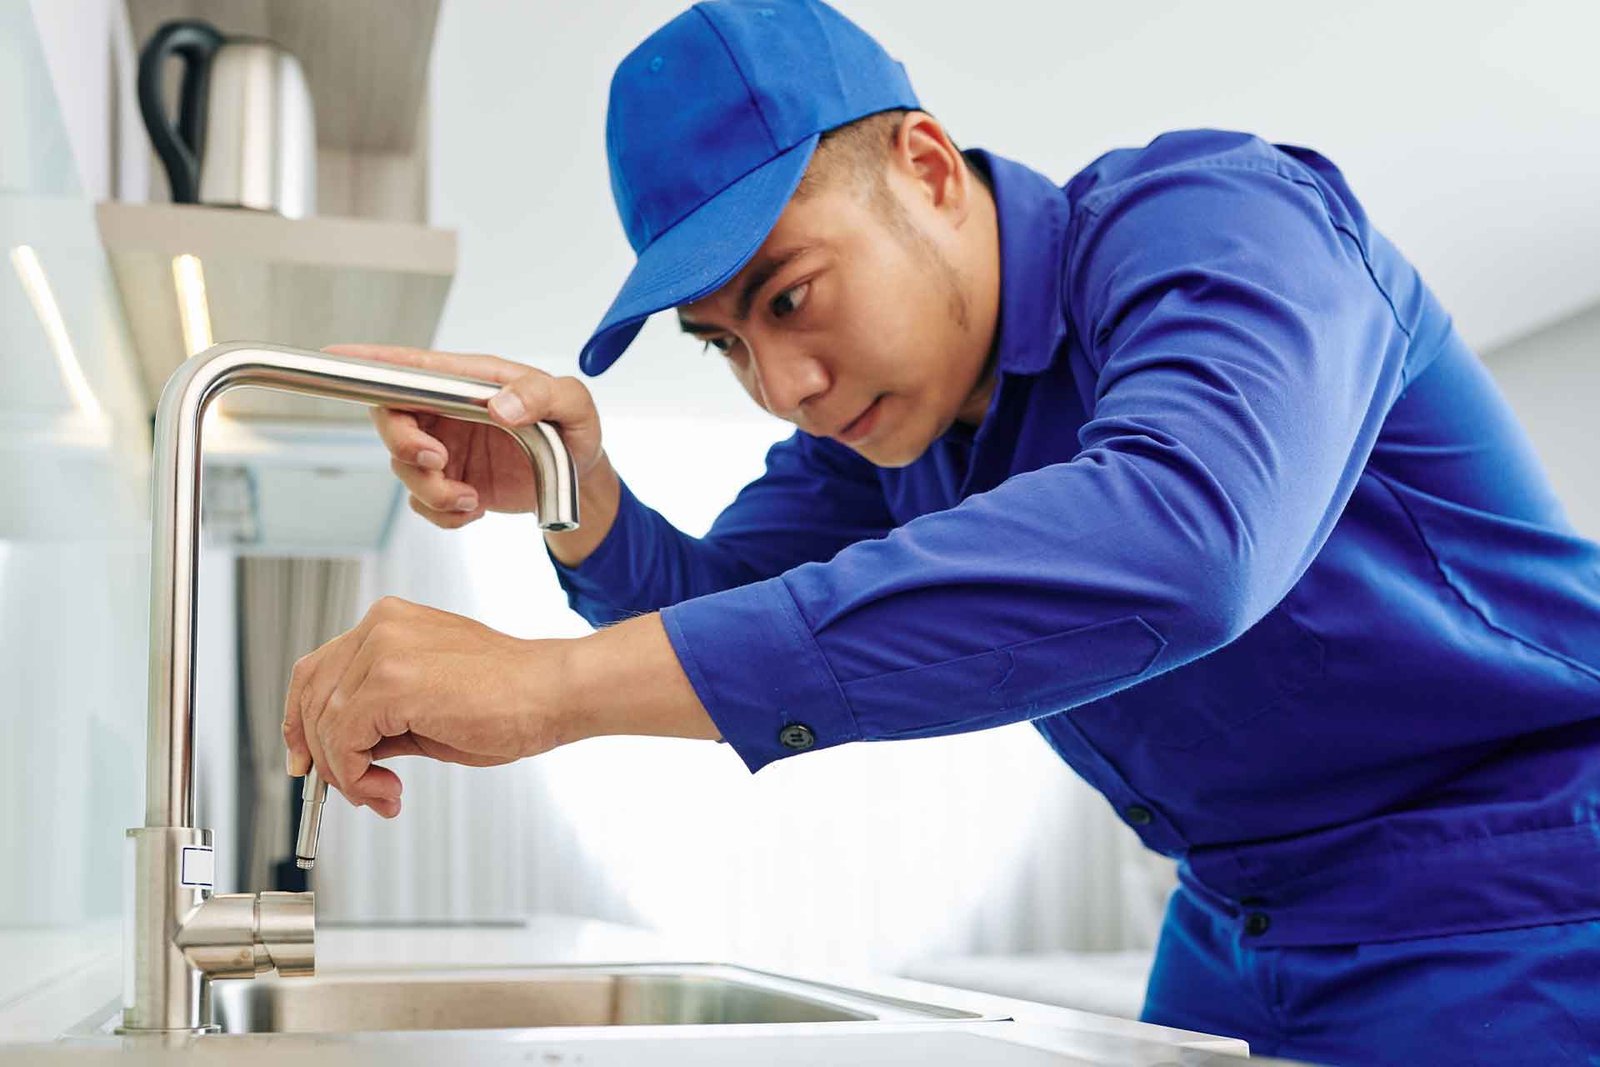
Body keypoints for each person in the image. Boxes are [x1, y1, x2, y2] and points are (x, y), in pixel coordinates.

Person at [281, 1, 1600, 1061]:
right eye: (729, 345)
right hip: (1229, 922)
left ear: (925, 168)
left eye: (791, 296)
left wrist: (543, 685)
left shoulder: (1220, 219)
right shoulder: (888, 440)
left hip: (1512, 904)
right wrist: (577, 496)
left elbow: (1188, 540)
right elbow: (705, 617)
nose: (782, 384)